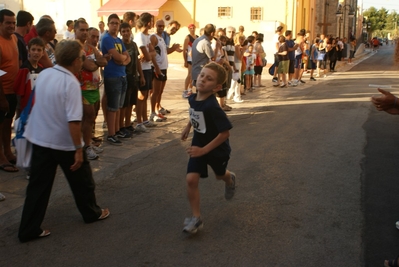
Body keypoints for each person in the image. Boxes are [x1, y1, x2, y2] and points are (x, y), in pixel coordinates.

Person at [18, 40, 110, 243]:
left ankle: (28, 228)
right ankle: (91, 213)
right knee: (83, 180)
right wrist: (79, 149)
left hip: (41, 138)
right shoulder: (70, 83)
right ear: (76, 61)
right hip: (63, 142)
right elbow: (74, 121)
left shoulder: (46, 74)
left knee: (38, 187)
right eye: (82, 58)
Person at [181, 62, 236, 234]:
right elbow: (194, 111)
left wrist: (205, 150)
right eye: (202, 75)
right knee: (191, 180)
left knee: (220, 175)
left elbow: (225, 133)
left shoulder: (213, 107)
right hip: (198, 144)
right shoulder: (193, 97)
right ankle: (196, 218)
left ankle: (229, 178)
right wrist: (188, 126)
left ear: (217, 87)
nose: (203, 80)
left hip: (216, 148)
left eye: (209, 79)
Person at [74, 20, 108, 157]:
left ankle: (87, 143)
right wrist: (95, 63)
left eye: (86, 30)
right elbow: (89, 65)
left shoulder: (90, 48)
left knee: (92, 117)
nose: (84, 32)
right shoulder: (74, 48)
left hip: (93, 87)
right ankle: (85, 147)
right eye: (81, 30)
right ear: (75, 31)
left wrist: (94, 63)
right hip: (80, 88)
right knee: (86, 117)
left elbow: (103, 61)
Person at [101, 13, 131, 145]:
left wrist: (122, 60)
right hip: (112, 76)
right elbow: (118, 57)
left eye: (117, 23)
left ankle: (117, 130)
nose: (115, 25)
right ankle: (111, 133)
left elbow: (126, 57)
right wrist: (121, 59)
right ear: (108, 24)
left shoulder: (118, 40)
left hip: (122, 74)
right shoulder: (107, 38)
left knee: (119, 106)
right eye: (112, 23)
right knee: (112, 107)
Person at [0, 9, 19, 172]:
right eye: (8, 22)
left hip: (13, 91)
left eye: (13, 22)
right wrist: (2, 98)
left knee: (8, 124)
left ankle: (7, 151)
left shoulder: (13, 38)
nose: (12, 25)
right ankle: (1, 157)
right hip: (2, 93)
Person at [120, 22, 144, 135]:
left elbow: (138, 61)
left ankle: (128, 124)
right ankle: (122, 125)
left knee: (131, 102)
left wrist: (141, 75)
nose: (126, 33)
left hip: (134, 77)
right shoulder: (120, 46)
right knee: (124, 103)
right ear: (120, 33)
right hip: (125, 76)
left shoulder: (134, 45)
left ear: (131, 31)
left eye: (127, 30)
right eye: (123, 31)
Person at [133, 12, 156, 133]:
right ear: (148, 23)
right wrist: (149, 54)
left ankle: (145, 119)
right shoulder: (140, 37)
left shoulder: (147, 36)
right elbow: (147, 57)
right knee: (141, 96)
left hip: (148, 69)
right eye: (152, 21)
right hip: (142, 69)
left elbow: (153, 53)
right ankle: (139, 121)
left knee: (145, 95)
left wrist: (149, 54)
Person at [182, 23, 198, 98]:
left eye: (193, 28)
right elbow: (184, 49)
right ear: (189, 29)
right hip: (190, 58)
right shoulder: (187, 38)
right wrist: (185, 60)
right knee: (189, 74)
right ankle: (185, 90)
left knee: (194, 75)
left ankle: (190, 89)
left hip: (196, 58)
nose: (192, 29)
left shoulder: (197, 37)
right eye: (191, 28)